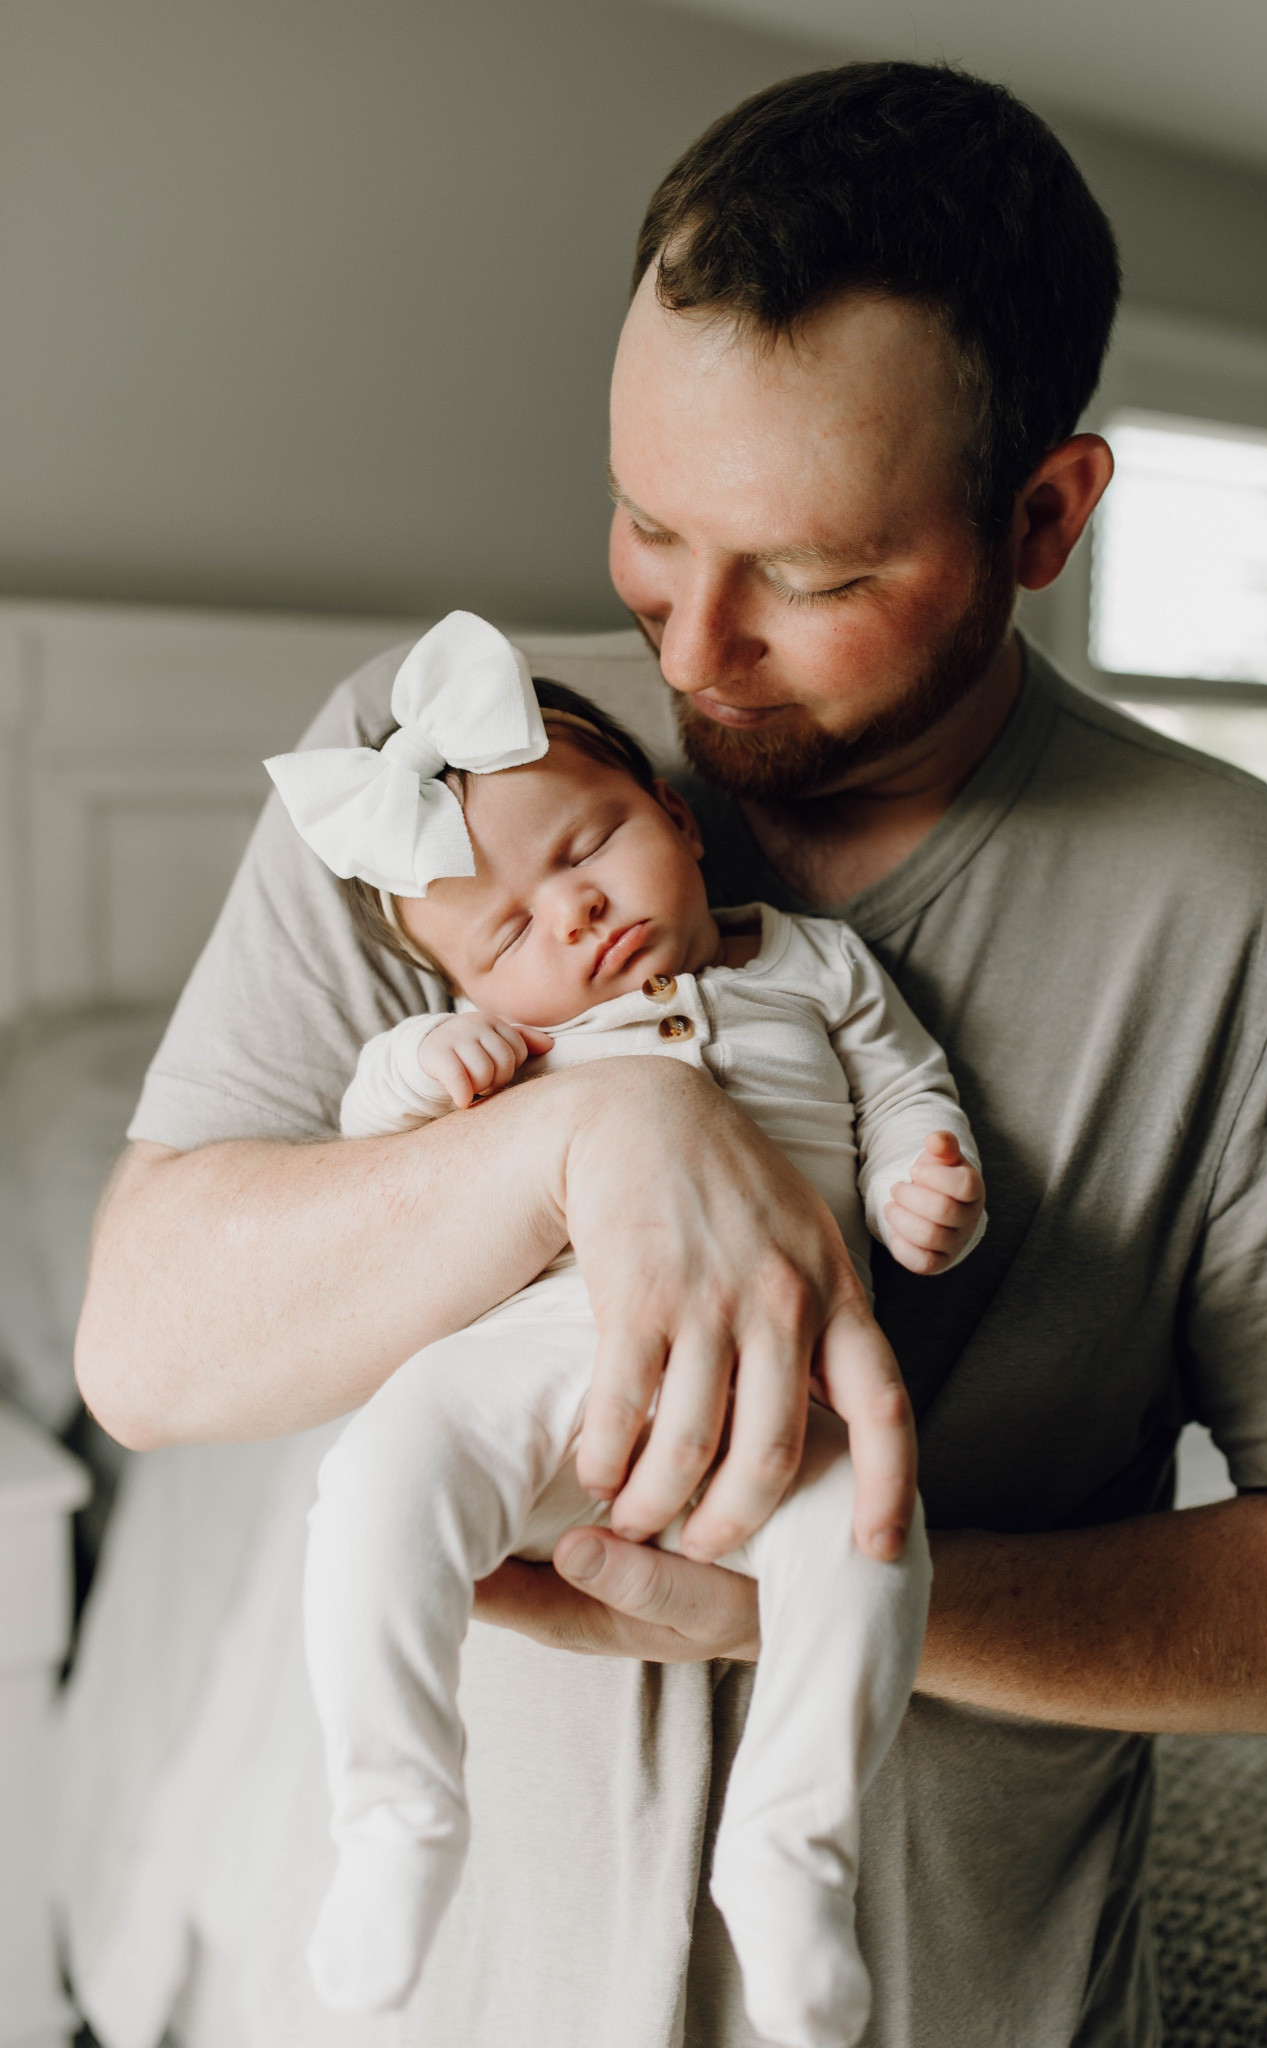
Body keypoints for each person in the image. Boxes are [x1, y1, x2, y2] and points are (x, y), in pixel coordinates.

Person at [75, 60, 1267, 2048]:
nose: (691, 643)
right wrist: (580, 1141)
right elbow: (151, 1349)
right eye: (641, 524)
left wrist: (825, 1599)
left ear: (1042, 515)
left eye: (808, 571)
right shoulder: (444, 787)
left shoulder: (1257, 917)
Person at [279, 613, 981, 2044]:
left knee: (870, 1540)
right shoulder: (514, 1043)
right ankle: (397, 1813)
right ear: (469, 985)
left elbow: (909, 1087)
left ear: (674, 817)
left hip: (779, 1388)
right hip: (547, 1357)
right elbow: (368, 1147)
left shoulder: (816, 966)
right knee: (380, 1472)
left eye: (588, 848)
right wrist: (425, 1063)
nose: (575, 914)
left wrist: (926, 1178)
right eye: (511, 931)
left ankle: (791, 1854)